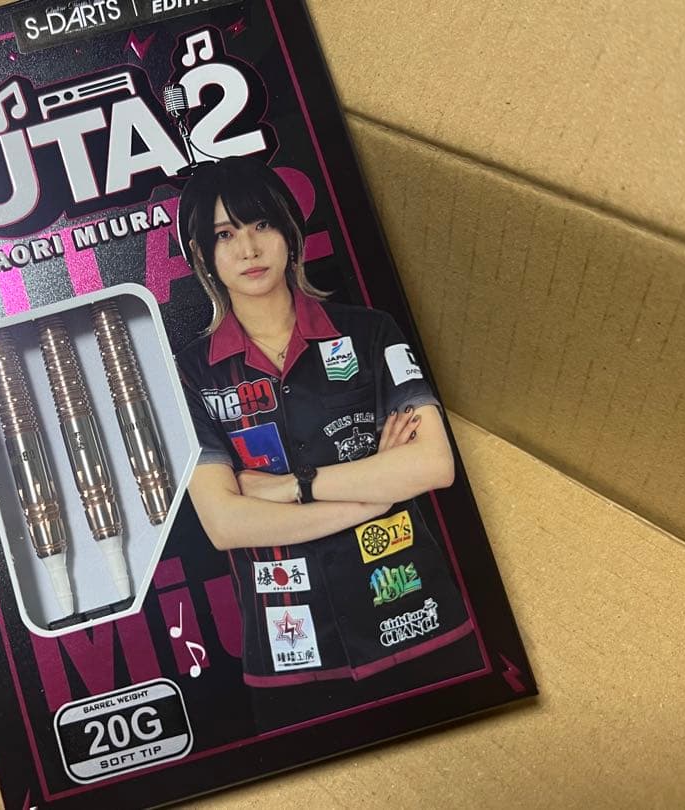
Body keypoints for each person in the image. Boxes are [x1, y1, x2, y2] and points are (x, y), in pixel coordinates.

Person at [174, 156, 482, 730]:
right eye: (225, 234)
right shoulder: (189, 376)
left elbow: (434, 465)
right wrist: (374, 495)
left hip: (420, 624)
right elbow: (225, 524)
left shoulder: (370, 332)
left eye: (262, 225)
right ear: (203, 256)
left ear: (290, 233)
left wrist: (292, 487)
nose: (249, 249)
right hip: (289, 663)